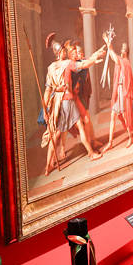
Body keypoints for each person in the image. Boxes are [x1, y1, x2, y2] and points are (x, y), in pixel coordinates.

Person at [41, 34, 106, 175]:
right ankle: (91, 153)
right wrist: (95, 58)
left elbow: (47, 92)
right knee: (80, 127)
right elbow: (83, 64)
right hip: (68, 101)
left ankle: (48, 167)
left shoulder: (50, 68)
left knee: (56, 134)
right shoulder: (67, 64)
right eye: (63, 51)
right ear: (61, 52)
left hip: (58, 104)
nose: (65, 52)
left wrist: (46, 110)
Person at [102, 32, 133, 151]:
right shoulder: (121, 60)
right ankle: (110, 143)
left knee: (126, 116)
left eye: (123, 49)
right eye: (122, 49)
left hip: (123, 92)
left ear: (126, 52)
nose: (122, 50)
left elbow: (115, 58)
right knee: (113, 116)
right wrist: (108, 45)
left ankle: (131, 137)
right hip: (119, 91)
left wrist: (109, 45)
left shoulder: (126, 62)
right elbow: (114, 57)